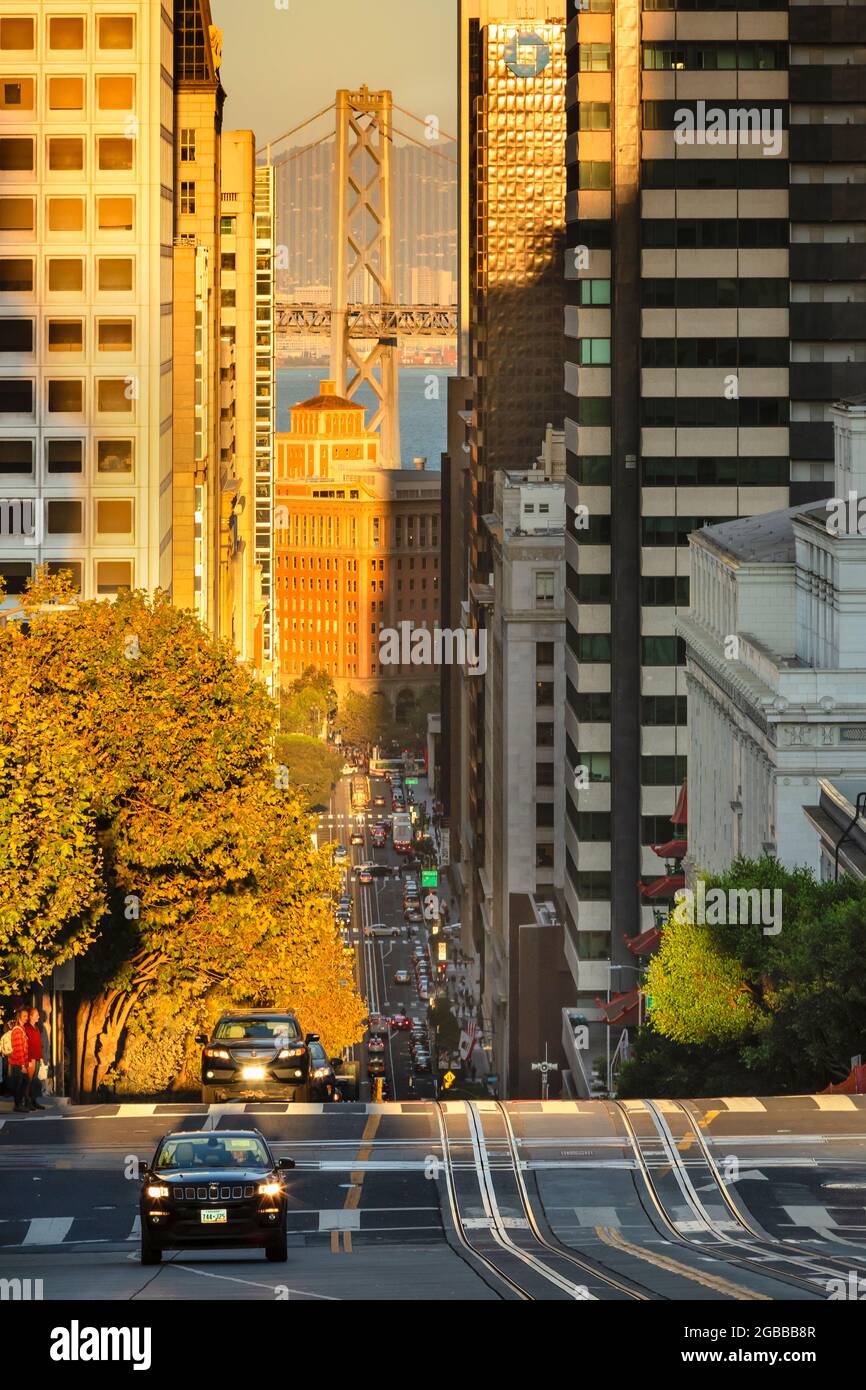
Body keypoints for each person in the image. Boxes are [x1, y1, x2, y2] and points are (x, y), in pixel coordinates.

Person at [7, 1007, 30, 1113]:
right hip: (17, 1063)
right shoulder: (17, 1030)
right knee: (20, 1083)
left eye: (27, 1016)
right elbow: (18, 1048)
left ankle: (20, 1104)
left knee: (23, 1082)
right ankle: (17, 1105)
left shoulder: (22, 1029)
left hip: (21, 1063)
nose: (27, 1018)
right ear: (19, 1017)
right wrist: (22, 1065)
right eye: (25, 1016)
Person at [24, 1007, 46, 1111]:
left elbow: (37, 1044)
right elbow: (27, 1045)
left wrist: (41, 1058)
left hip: (37, 1057)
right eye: (36, 1015)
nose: (38, 1016)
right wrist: (28, 1060)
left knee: (34, 1081)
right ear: (30, 1016)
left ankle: (33, 1100)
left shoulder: (36, 1027)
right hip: (31, 1058)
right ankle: (27, 1101)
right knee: (29, 1080)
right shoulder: (26, 1028)